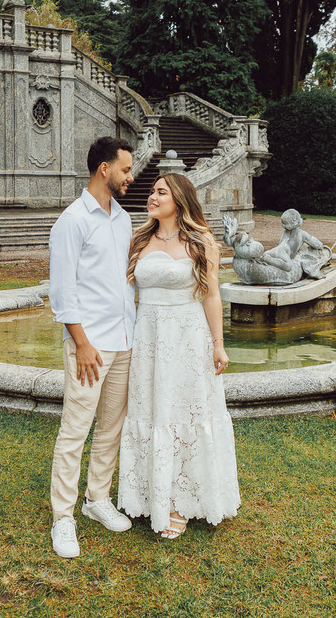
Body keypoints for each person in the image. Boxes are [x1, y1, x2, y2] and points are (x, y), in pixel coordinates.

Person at [118, 173, 240, 539]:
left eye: (160, 192)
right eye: (152, 192)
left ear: (180, 199)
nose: (152, 197)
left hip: (188, 337)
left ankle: (181, 501)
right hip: (149, 338)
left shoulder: (202, 241)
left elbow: (211, 295)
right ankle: (151, 493)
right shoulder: (138, 239)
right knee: (153, 412)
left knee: (187, 413)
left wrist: (218, 343)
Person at [47, 136, 137, 558]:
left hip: (123, 340)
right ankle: (63, 518)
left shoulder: (122, 218)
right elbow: (62, 291)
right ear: (105, 168)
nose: (130, 177)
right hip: (90, 344)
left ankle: (97, 500)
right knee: (75, 430)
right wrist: (80, 343)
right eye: (125, 169)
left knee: (111, 426)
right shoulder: (71, 221)